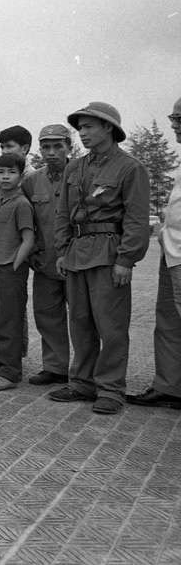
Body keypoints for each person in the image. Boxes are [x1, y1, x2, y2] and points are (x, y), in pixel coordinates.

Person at [49, 102, 150, 414]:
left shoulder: (130, 168)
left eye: (89, 126)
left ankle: (110, 390)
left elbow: (136, 219)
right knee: (80, 324)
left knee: (111, 328)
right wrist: (63, 250)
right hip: (77, 254)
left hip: (108, 255)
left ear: (109, 128)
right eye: (80, 127)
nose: (82, 133)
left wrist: (126, 260)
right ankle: (82, 383)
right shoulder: (74, 168)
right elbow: (64, 213)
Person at [127, 97, 181, 410]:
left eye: (179, 118)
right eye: (173, 117)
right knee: (169, 321)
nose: (173, 123)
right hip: (170, 250)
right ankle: (170, 386)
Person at [21, 124, 74, 385]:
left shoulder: (80, 175)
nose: (51, 152)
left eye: (58, 146)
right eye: (46, 147)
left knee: (83, 319)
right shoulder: (31, 181)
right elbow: (26, 220)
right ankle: (55, 367)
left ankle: (88, 371)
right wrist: (32, 253)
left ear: (69, 147)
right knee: (46, 315)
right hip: (45, 262)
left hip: (77, 262)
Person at [0, 155, 35, 391]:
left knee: (10, 320)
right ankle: (3, 365)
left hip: (9, 271)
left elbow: (28, 239)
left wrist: (14, 266)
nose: (5, 176)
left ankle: (10, 373)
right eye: (1, 171)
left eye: (11, 172)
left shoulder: (21, 204)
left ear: (21, 177)